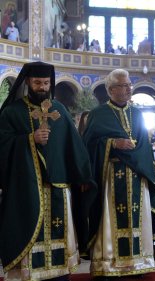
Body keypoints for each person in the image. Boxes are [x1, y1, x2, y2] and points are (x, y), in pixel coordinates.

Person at [0, 61, 94, 280]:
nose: (42, 87)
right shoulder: (12, 112)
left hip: (58, 188)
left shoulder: (58, 110)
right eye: (37, 83)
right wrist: (28, 140)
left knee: (58, 236)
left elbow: (74, 145)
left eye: (45, 83)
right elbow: (2, 145)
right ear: (27, 83)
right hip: (26, 187)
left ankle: (59, 275)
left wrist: (83, 175)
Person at [82, 69, 155, 278]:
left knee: (137, 218)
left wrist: (141, 165)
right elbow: (88, 145)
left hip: (136, 176)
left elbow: (143, 145)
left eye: (129, 85)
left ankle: (138, 261)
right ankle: (109, 264)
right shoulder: (98, 114)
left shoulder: (138, 113)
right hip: (110, 177)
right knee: (109, 218)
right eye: (123, 86)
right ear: (111, 90)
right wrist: (112, 143)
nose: (128, 89)